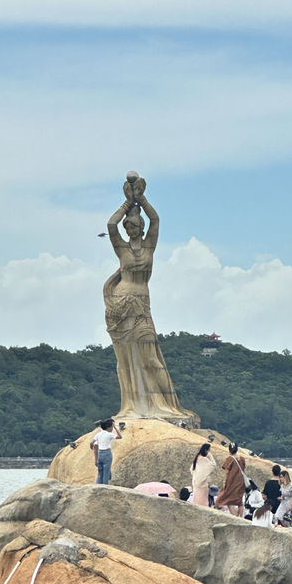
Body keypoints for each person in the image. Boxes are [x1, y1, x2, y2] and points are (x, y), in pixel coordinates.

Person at [104, 172, 196, 423]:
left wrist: (140, 200)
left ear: (141, 228)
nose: (131, 228)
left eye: (135, 225)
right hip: (119, 306)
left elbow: (156, 219)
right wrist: (126, 204)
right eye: (129, 226)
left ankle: (164, 405)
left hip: (142, 305)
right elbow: (111, 226)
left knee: (151, 357)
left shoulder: (149, 246)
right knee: (125, 360)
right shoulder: (121, 247)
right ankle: (133, 405)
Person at [215, 442, 246, 516]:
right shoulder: (242, 459)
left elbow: (227, 472)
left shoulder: (229, 459)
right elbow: (243, 470)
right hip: (241, 481)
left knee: (228, 500)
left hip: (232, 482)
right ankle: (240, 517)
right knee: (239, 500)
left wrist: (224, 481)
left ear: (229, 450)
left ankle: (235, 516)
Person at [89, 418, 122, 485]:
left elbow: (91, 443)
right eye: (112, 427)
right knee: (106, 473)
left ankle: (97, 486)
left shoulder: (98, 434)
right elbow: (120, 436)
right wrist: (115, 427)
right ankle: (105, 487)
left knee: (100, 473)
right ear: (109, 427)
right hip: (107, 453)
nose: (112, 429)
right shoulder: (109, 434)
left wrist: (91, 447)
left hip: (100, 454)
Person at [190, 443, 216, 507]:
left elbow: (191, 469)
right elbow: (213, 465)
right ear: (206, 450)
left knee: (196, 499)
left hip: (195, 482)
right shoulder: (204, 459)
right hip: (203, 484)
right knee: (203, 501)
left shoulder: (197, 458)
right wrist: (210, 456)